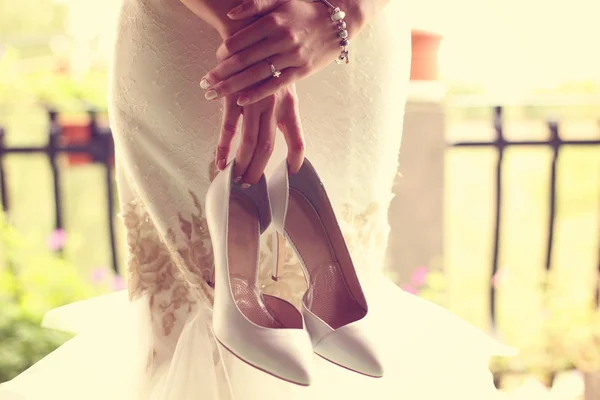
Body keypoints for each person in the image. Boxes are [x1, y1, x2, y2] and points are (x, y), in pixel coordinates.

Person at [0, 0, 513, 399]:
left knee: (345, 286)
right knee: (193, 306)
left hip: (347, 46)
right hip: (190, 26)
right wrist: (252, 43)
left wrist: (340, 14)